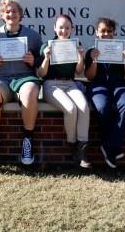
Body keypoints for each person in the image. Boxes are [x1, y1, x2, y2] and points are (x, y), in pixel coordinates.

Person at [0, 0, 42, 165]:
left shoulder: (33, 36)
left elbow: (43, 62)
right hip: (2, 79)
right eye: (7, 11)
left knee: (30, 92)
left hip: (25, 78)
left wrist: (33, 61)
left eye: (14, 11)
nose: (11, 14)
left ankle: (27, 140)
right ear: (2, 15)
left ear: (20, 14)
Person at [36, 14, 91, 169]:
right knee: (71, 108)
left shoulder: (75, 44)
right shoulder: (47, 45)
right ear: (54, 28)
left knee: (84, 108)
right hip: (51, 85)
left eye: (67, 27)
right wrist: (46, 57)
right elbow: (41, 73)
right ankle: (72, 145)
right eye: (61, 27)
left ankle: (82, 151)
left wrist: (81, 57)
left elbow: (79, 72)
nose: (64, 30)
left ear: (71, 29)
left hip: (70, 83)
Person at [85, 18, 125, 169]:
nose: (106, 34)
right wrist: (94, 61)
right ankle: (113, 147)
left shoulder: (122, 48)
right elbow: (89, 76)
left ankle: (108, 145)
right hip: (98, 85)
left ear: (114, 33)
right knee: (101, 107)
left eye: (109, 31)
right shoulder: (91, 51)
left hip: (119, 84)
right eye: (103, 31)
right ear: (96, 33)